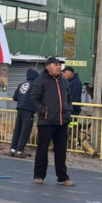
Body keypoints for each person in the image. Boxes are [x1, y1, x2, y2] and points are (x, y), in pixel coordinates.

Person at [30, 56, 75, 186]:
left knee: (61, 150)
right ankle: (39, 175)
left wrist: (68, 110)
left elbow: (68, 97)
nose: (59, 67)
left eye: (60, 65)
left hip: (62, 120)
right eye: (56, 65)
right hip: (47, 121)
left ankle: (62, 177)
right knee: (42, 149)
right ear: (48, 67)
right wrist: (44, 111)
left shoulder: (64, 81)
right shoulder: (40, 81)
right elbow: (34, 99)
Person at [10, 69, 39, 159]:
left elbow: (14, 97)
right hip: (29, 110)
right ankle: (20, 150)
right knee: (25, 130)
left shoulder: (21, 84)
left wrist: (21, 100)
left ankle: (13, 149)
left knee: (17, 129)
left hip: (20, 109)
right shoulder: (36, 85)